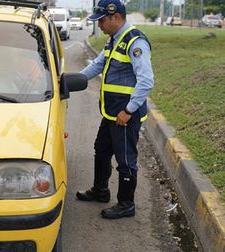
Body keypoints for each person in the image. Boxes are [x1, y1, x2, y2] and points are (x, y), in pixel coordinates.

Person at [76, 0, 154, 219]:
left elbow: (146, 81)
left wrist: (128, 110)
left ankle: (126, 204)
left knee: (126, 159)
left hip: (125, 115)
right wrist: (69, 80)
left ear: (115, 17)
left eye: (101, 21)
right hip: (111, 112)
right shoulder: (113, 40)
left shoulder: (135, 41)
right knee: (101, 149)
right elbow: (97, 65)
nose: (99, 25)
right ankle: (101, 190)